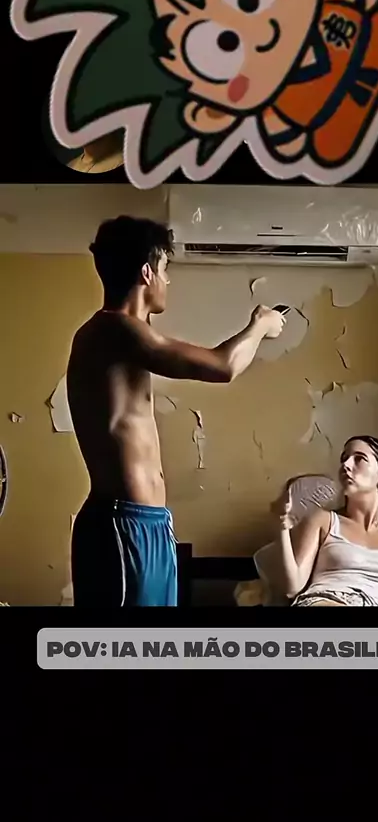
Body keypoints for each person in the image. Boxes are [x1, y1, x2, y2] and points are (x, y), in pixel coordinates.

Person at [67, 215, 285, 607]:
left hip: (145, 522)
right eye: (166, 269)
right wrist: (260, 325)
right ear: (147, 273)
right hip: (124, 524)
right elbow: (223, 367)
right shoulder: (115, 330)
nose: (168, 280)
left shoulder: (119, 333)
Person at [272, 435, 378, 606]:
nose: (345, 465)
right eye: (344, 459)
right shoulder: (324, 520)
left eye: (359, 459)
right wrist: (282, 527)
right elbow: (292, 588)